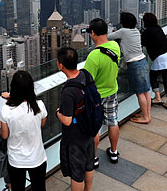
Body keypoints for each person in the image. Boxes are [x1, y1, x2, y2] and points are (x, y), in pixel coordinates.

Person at [0, 71, 47, 191]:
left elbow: (4, 135)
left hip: (16, 159)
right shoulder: (39, 106)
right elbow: (41, 124)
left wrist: (0, 120)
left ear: (13, 89)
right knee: (40, 188)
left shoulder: (6, 110)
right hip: (37, 157)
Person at [83, 18, 121, 168]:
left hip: (97, 97)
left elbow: (87, 80)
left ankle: (94, 157)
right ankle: (113, 151)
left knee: (94, 128)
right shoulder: (115, 46)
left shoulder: (93, 56)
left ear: (93, 33)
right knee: (113, 122)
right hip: (112, 90)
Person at [56, 47, 94, 191]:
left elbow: (67, 120)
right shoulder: (86, 75)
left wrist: (57, 113)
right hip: (89, 128)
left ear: (61, 65)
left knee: (77, 173)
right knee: (88, 165)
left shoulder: (68, 91)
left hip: (75, 137)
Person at [108, 12, 151, 124]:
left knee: (140, 93)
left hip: (134, 65)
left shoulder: (122, 31)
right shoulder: (136, 31)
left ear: (122, 23)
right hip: (143, 61)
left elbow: (108, 37)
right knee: (146, 91)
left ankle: (145, 117)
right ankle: (147, 114)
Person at [141, 13, 167, 111]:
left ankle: (158, 98)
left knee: (153, 76)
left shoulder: (147, 32)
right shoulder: (158, 28)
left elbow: (142, 43)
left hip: (161, 58)